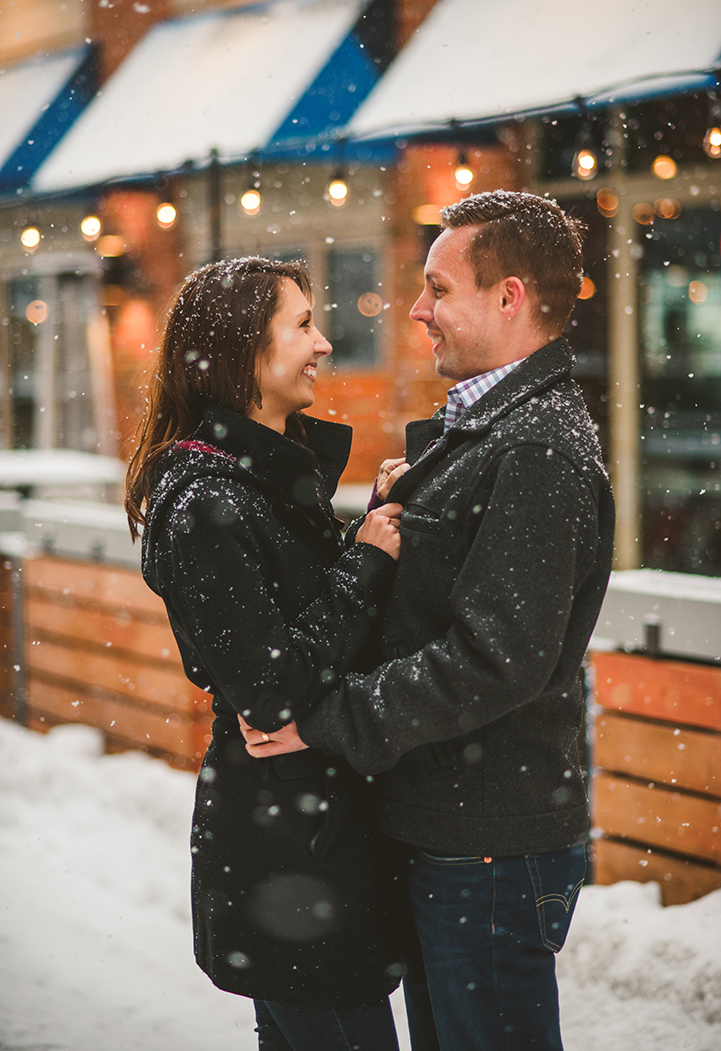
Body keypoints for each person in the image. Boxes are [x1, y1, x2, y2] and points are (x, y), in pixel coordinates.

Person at [241, 192, 616, 1050]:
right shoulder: (488, 428)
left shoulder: (534, 445)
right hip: (448, 828)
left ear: (509, 297)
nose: (415, 311)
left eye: (439, 290)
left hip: (487, 843)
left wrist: (327, 721)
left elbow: (495, 659)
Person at [125, 257, 408, 1051]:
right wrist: (366, 562)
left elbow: (300, 619)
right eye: (302, 325)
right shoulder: (206, 503)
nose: (323, 343)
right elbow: (273, 683)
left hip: (307, 838)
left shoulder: (252, 485)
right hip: (289, 850)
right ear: (245, 349)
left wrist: (370, 526)